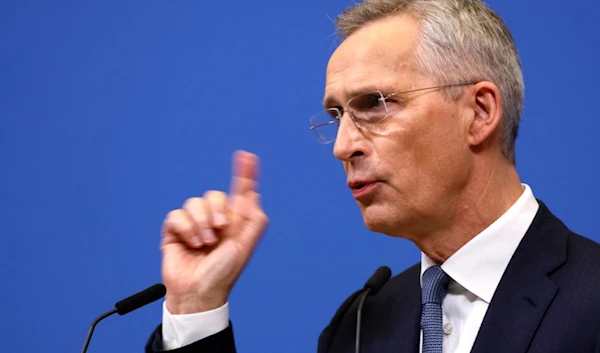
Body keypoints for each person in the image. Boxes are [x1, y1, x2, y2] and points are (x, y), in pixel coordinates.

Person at [145, 0, 600, 352]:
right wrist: (195, 306)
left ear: (479, 113)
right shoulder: (362, 324)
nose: (343, 146)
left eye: (373, 105)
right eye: (336, 115)